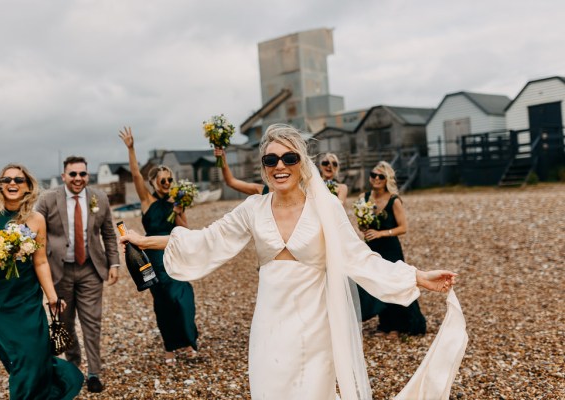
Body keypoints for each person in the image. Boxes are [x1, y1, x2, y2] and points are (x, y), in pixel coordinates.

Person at [120, 124, 468, 400]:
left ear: (303, 164)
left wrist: (418, 277)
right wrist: (141, 240)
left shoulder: (324, 208)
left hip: (316, 325)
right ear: (264, 167)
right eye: (271, 161)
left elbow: (359, 258)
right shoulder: (254, 209)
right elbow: (205, 239)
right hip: (270, 324)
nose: (279, 167)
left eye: (288, 159)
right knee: (271, 389)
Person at [0, 163, 83, 399]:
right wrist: (6, 257)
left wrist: (52, 296)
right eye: (6, 179)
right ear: (0, 186)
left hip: (27, 298)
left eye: (18, 180)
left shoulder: (37, 219)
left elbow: (40, 262)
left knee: (36, 353)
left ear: (28, 186)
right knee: (20, 356)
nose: (12, 183)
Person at [36, 156, 120, 393]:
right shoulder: (48, 199)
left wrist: (114, 264)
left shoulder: (99, 198)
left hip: (90, 269)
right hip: (58, 271)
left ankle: (94, 372)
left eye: (82, 174)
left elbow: (109, 234)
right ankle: (73, 367)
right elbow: (31, 228)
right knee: (65, 322)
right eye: (73, 174)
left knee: (92, 322)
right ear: (64, 176)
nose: (78, 179)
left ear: (88, 175)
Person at [118, 126, 198, 365]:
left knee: (185, 298)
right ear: (153, 182)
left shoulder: (177, 200)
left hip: (175, 253)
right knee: (163, 302)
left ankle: (190, 341)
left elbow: (184, 229)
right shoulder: (147, 200)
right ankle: (170, 347)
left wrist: (179, 209)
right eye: (162, 180)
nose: (166, 182)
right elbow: (135, 176)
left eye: (169, 179)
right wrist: (131, 148)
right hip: (153, 257)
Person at [357, 161, 426, 337]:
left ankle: (401, 326)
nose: (376, 179)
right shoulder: (363, 198)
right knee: (377, 284)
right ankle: (385, 324)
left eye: (381, 176)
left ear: (387, 179)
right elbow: (361, 225)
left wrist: (381, 233)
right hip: (372, 249)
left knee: (395, 283)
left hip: (390, 249)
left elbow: (403, 228)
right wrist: (364, 227)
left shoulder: (394, 200)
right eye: (373, 175)